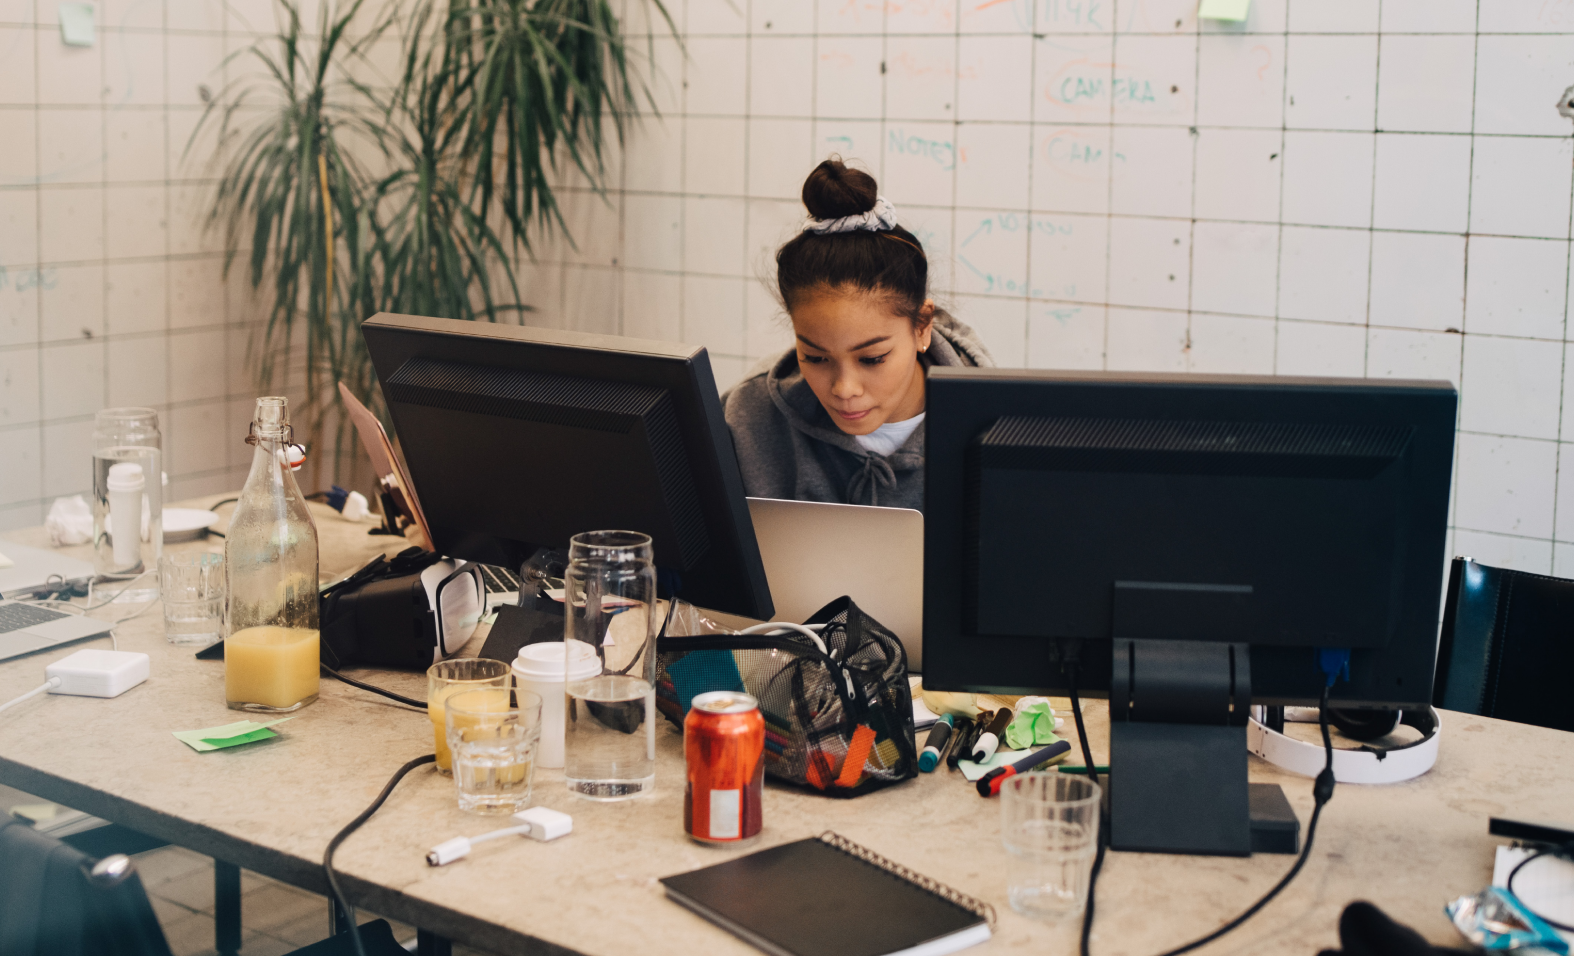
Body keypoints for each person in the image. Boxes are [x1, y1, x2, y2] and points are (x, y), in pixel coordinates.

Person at [723, 159, 994, 511]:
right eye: (816, 357)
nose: (844, 389)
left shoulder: (990, 427)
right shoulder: (746, 414)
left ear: (922, 325)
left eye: (872, 359)